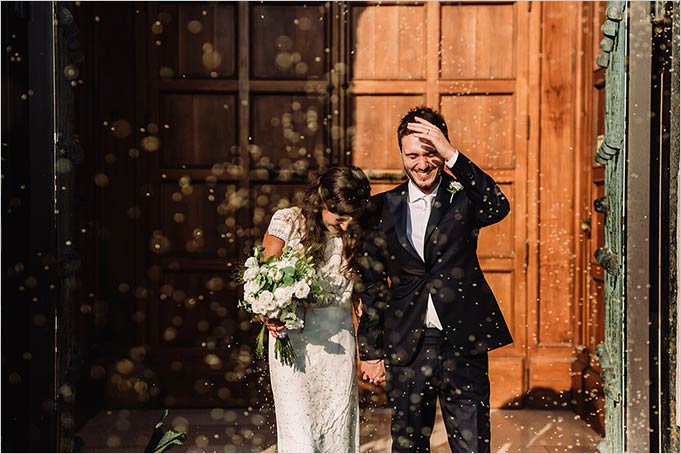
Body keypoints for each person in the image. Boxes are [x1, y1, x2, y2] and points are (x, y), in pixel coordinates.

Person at [357, 106, 513, 453]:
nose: (422, 164)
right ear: (401, 154)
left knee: (472, 443)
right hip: (408, 343)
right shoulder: (380, 208)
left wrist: (453, 155)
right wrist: (370, 350)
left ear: (442, 150)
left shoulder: (464, 199)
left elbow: (498, 205)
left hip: (463, 340)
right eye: (412, 155)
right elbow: (371, 285)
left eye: (430, 154)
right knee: (409, 444)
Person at [259, 165, 371, 453]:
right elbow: (262, 281)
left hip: (338, 340)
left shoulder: (356, 234)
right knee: (299, 430)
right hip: (293, 339)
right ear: (322, 200)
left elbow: (362, 295)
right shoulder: (287, 221)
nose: (346, 225)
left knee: (337, 426)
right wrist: (267, 312)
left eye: (351, 219)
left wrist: (372, 351)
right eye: (341, 218)